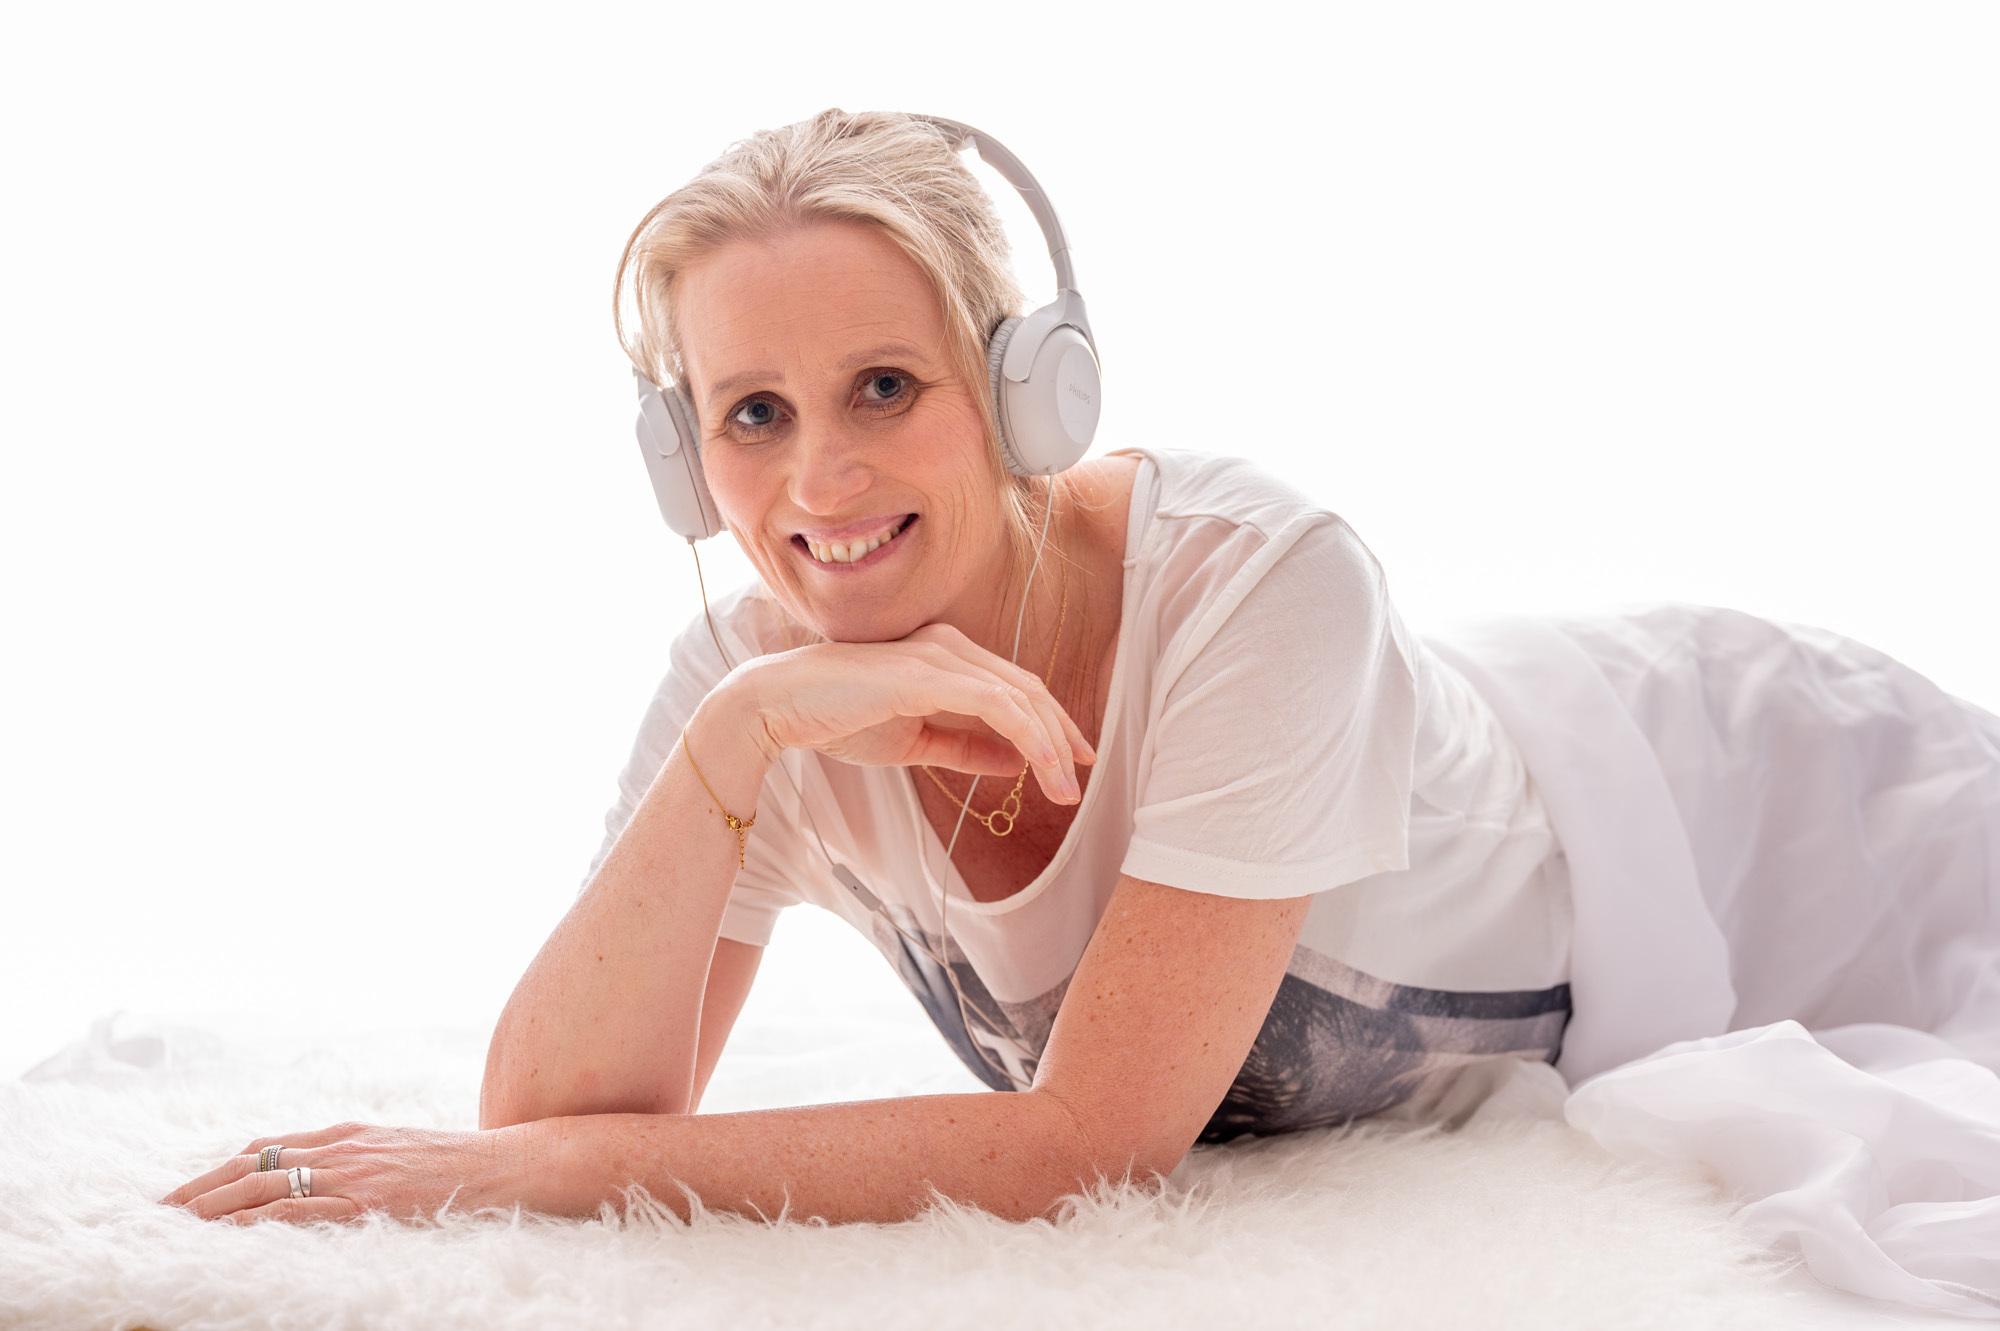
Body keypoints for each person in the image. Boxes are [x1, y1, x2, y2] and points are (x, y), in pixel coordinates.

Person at [162, 109, 2000, 1231]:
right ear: (682, 455)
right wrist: (735, 745)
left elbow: (1086, 1143)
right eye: (750, 415)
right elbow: (549, 1105)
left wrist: (563, 1181)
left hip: (1754, 805)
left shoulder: (1264, 582)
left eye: (886, 385)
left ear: (1026, 390)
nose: (818, 482)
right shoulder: (750, 679)